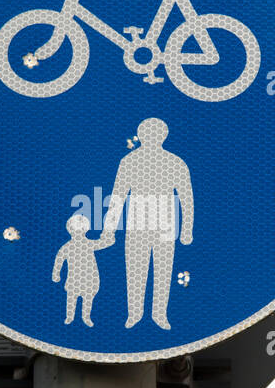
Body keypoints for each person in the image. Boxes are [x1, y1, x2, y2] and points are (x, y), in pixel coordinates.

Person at [101, 118, 193, 329]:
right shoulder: (129, 161)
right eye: (148, 134)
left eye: (156, 134)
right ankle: (134, 314)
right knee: (135, 270)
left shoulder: (175, 163)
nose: (151, 137)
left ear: (163, 136)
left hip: (164, 226)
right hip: (137, 226)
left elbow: (186, 197)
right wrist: (109, 230)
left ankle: (159, 315)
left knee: (163, 271)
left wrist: (187, 230)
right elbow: (118, 196)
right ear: (141, 136)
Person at [52, 212, 111, 326]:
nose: (78, 233)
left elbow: (102, 243)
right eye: (75, 230)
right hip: (74, 280)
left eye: (80, 230)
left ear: (85, 230)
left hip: (90, 279)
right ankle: (69, 317)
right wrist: (56, 274)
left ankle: (86, 317)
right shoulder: (67, 247)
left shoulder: (88, 244)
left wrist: (109, 239)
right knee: (71, 299)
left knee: (88, 300)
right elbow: (59, 260)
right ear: (70, 230)